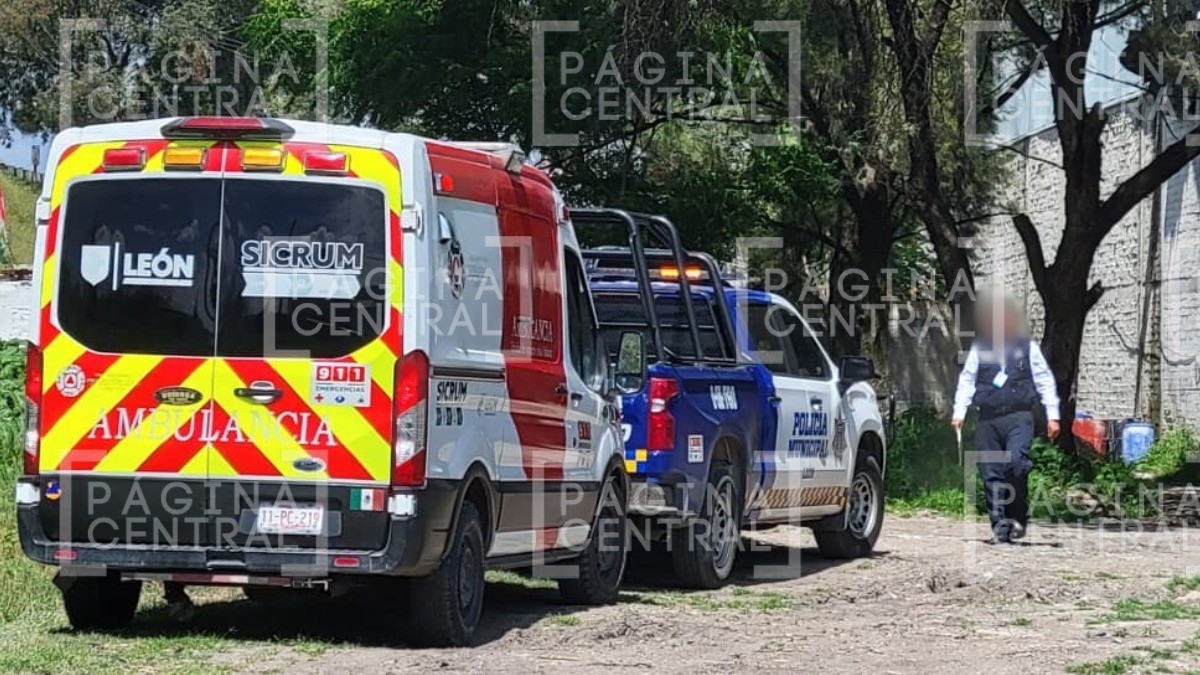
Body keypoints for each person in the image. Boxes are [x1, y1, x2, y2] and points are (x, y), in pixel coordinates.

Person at [951, 293, 1060, 544]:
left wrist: (1053, 416)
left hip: (1019, 417)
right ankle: (1000, 524)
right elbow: (967, 380)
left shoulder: (1028, 349)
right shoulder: (980, 349)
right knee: (991, 471)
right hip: (988, 419)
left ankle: (1018, 517)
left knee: (1016, 464)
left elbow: (1044, 380)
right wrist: (959, 413)